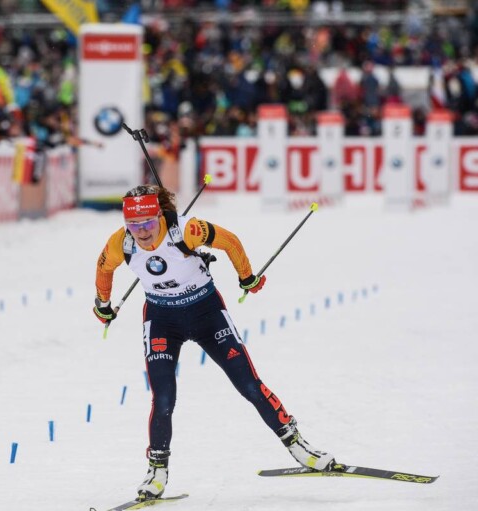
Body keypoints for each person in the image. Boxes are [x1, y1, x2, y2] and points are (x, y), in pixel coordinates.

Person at [93, 185, 335, 501]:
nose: (142, 233)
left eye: (148, 223)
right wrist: (103, 304)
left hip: (206, 314)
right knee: (163, 398)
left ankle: (299, 446)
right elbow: (104, 267)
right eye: (134, 225)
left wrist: (247, 277)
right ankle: (157, 472)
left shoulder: (187, 230)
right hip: (162, 321)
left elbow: (230, 241)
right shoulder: (121, 242)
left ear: (159, 216)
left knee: (249, 385)